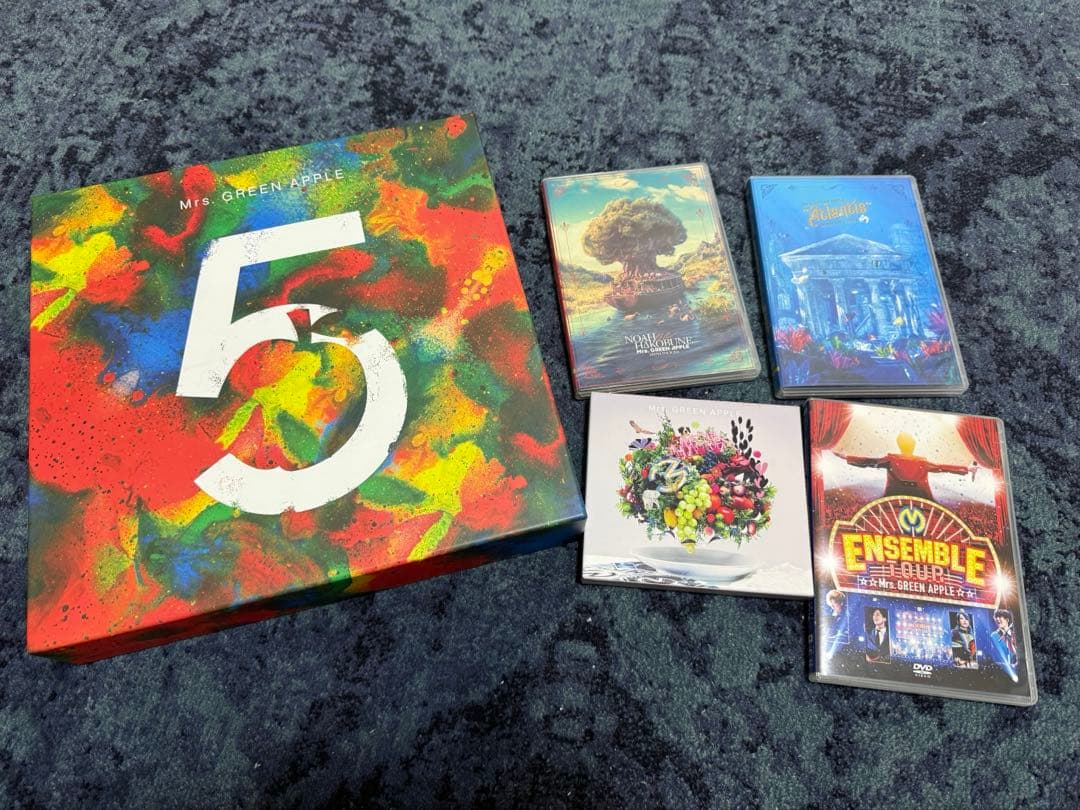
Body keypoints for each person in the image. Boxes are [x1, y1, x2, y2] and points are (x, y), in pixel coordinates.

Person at [835, 431, 975, 501]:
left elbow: (870, 462)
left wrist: (847, 457)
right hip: (921, 497)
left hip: (895, 495)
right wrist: (966, 469)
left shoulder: (891, 459)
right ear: (913, 445)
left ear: (899, 445)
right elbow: (942, 467)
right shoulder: (922, 462)